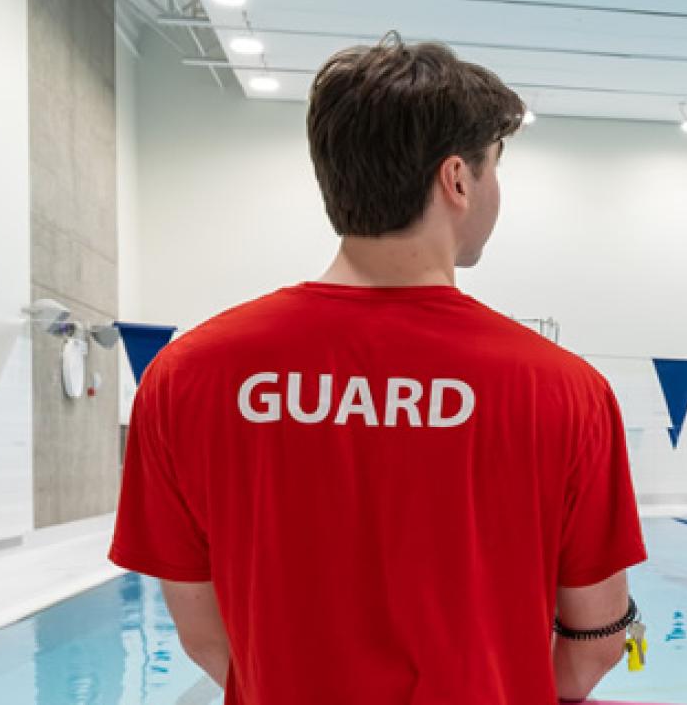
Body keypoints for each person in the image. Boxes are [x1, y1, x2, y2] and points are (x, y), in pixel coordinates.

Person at [107, 36, 646, 704]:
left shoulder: (186, 376)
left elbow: (207, 638)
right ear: (457, 179)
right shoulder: (564, 390)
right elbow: (594, 648)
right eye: (494, 168)